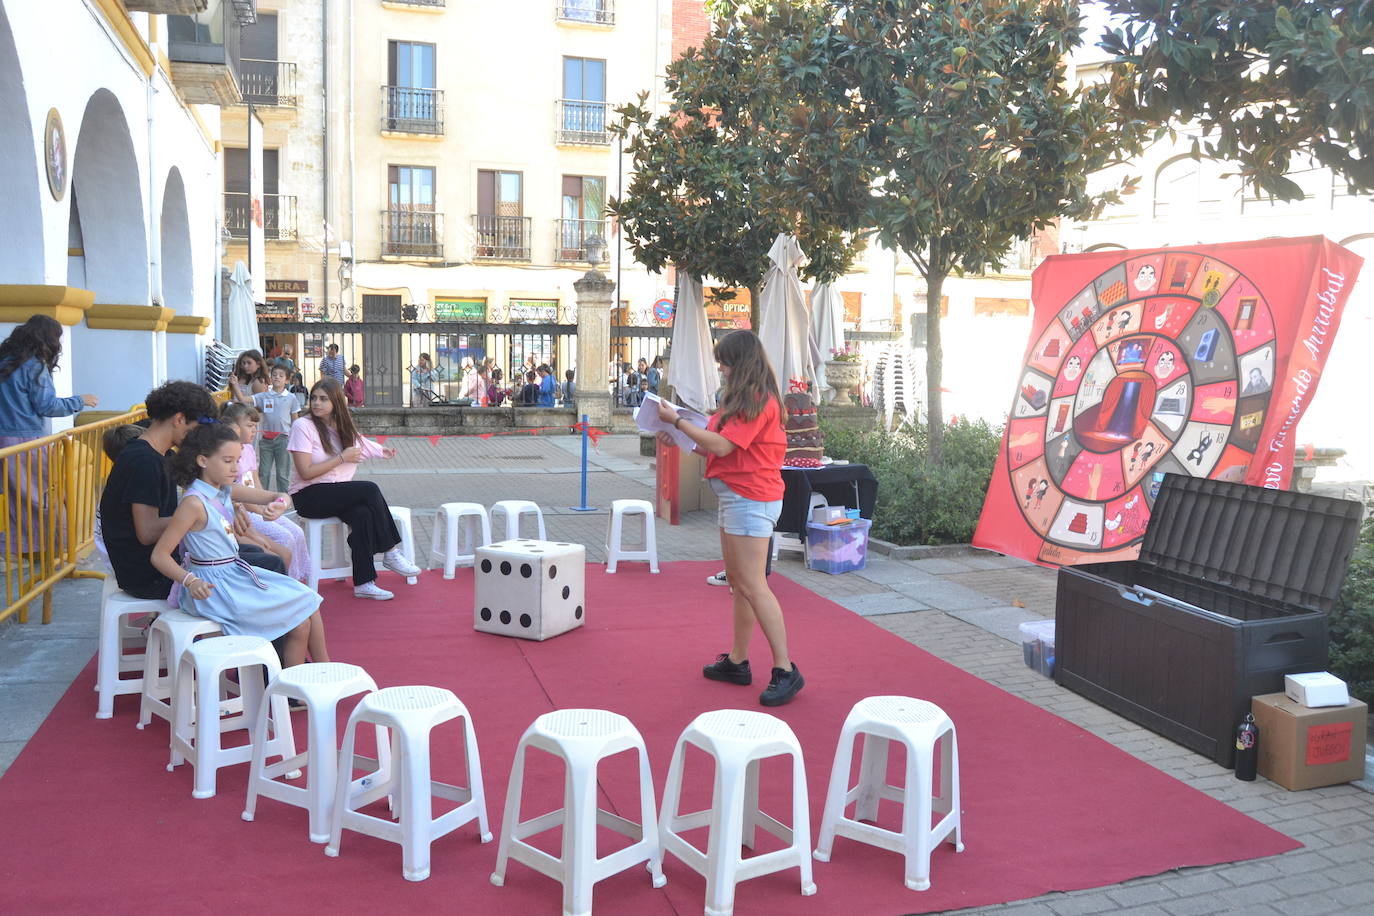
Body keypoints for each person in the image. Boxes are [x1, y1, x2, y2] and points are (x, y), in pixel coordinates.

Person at [655, 330, 803, 706]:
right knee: (739, 583)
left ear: (741, 363)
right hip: (739, 497)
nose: (720, 368)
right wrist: (684, 435)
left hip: (752, 498)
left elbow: (721, 444)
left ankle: (786, 669)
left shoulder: (757, 400)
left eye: (724, 361)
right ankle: (738, 661)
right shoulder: (742, 400)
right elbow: (722, 450)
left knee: (753, 585)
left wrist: (678, 423)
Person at [151, 423, 327, 668]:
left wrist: (279, 503)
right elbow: (159, 555)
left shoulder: (223, 490)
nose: (235, 468)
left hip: (233, 575)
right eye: (228, 461)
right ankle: (288, 688)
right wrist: (190, 581)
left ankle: (320, 670)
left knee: (308, 601)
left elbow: (276, 495)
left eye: (237, 461)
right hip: (213, 587)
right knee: (300, 617)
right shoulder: (193, 504)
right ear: (202, 460)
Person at [99, 381, 286, 601]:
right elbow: (147, 532)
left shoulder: (161, 454)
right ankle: (264, 630)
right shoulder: (143, 462)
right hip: (150, 575)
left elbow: (216, 487)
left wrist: (272, 497)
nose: (198, 437)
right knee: (271, 564)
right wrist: (207, 516)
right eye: (196, 429)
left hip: (166, 560)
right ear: (179, 419)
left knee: (257, 555)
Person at [288, 377, 422, 600]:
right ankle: (389, 552)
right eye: (314, 398)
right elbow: (305, 472)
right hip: (308, 496)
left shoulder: (341, 426)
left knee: (362, 513)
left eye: (323, 399)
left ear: (336, 402)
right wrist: (341, 458)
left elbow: (362, 444)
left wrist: (382, 451)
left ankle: (364, 582)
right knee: (369, 489)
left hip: (335, 493)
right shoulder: (303, 426)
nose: (316, 403)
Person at [0, 315, 98, 552]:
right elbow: (47, 406)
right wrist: (80, 401)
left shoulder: (4, 361)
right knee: (41, 496)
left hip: (4, 438)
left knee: (14, 498)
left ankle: (17, 549)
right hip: (26, 440)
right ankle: (58, 549)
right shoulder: (34, 366)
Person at [222, 401, 312, 583]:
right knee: (284, 537)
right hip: (245, 510)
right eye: (249, 426)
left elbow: (255, 483)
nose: (254, 430)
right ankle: (287, 582)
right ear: (233, 427)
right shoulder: (226, 453)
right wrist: (260, 510)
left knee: (297, 532)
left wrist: (268, 505)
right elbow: (236, 491)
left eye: (256, 426)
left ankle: (298, 578)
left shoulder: (247, 449)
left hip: (256, 507)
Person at [252, 364, 298, 494]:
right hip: (266, 440)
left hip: (283, 440)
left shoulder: (291, 398)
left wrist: (295, 439)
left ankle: (284, 499)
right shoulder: (264, 396)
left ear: (287, 380)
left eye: (281, 375)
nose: (277, 377)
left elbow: (295, 420)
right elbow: (244, 399)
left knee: (282, 473)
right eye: (274, 374)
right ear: (270, 377)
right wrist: (234, 385)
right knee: (264, 472)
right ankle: (261, 498)